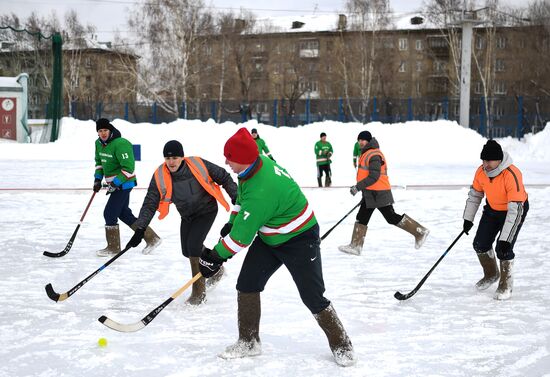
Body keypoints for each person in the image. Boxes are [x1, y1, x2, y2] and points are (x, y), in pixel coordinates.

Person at [198, 128, 355, 367]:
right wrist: (231, 223)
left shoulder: (263, 190)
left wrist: (215, 256)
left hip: (300, 239)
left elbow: (240, 239)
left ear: (244, 159)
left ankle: (342, 345)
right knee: (247, 284)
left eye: (230, 158)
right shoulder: (253, 166)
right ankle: (249, 341)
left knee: (313, 296)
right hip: (270, 236)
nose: (226, 162)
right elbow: (242, 199)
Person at [127, 140, 237, 305]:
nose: (171, 162)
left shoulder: (197, 164)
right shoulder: (160, 175)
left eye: (175, 158)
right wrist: (141, 227)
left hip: (206, 210)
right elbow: (150, 202)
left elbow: (224, 176)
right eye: (168, 158)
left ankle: (199, 293)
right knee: (187, 250)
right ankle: (215, 268)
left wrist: (236, 196)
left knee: (193, 246)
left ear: (182, 157)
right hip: (187, 215)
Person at [339, 131, 429, 255]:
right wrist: (364, 192)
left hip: (379, 193)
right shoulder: (366, 153)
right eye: (359, 140)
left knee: (391, 217)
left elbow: (374, 176)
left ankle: (420, 232)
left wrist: (358, 187)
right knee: (362, 217)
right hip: (371, 193)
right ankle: (355, 246)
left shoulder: (374, 154)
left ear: (368, 141)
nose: (360, 142)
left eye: (363, 140)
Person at [462, 139, 528, 300]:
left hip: (514, 210)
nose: (486, 164)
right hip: (492, 209)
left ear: (499, 159)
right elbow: (475, 195)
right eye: (484, 160)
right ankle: (491, 274)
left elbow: (516, 208)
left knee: (503, 248)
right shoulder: (481, 172)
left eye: (489, 160)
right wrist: (468, 219)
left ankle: (506, 284)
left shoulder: (511, 174)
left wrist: (505, 238)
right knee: (480, 244)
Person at [93, 118, 161, 257]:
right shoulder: (98, 144)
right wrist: (97, 179)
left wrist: (115, 183)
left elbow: (129, 168)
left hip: (124, 184)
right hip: (114, 185)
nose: (103, 133)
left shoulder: (121, 144)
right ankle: (151, 238)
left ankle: (113, 248)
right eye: (100, 131)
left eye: (105, 130)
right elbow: (99, 163)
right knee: (124, 213)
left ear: (110, 130)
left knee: (109, 214)